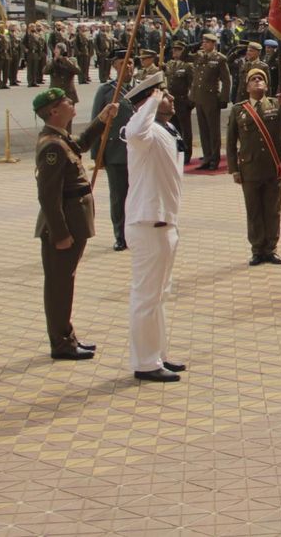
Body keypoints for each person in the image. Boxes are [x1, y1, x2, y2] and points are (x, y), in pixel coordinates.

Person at [32, 86, 118, 360]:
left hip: (73, 222)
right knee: (59, 286)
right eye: (67, 101)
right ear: (54, 111)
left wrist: (101, 120)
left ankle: (66, 336)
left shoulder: (60, 137)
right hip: (64, 226)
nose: (73, 103)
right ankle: (61, 343)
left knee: (64, 283)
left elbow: (79, 145)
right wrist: (60, 233)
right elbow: (48, 196)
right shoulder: (52, 146)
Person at [121, 74, 188, 383]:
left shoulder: (166, 129)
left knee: (159, 295)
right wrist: (151, 102)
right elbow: (134, 129)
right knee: (146, 297)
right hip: (148, 224)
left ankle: (157, 354)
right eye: (164, 95)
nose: (170, 99)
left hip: (165, 222)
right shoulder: (141, 132)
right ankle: (145, 362)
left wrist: (155, 102)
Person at [228, 68, 281, 266]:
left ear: (267, 85)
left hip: (272, 167)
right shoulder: (239, 110)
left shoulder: (276, 105)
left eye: (261, 78)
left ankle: (271, 248)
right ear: (247, 87)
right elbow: (230, 142)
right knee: (253, 210)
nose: (257, 81)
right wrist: (234, 169)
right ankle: (257, 249)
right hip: (250, 168)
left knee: (272, 210)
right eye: (253, 79)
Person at [92, 50, 136, 251]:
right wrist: (96, 155)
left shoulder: (142, 88)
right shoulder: (107, 91)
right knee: (119, 196)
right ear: (115, 67)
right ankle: (120, 235)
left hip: (139, 153)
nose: (127, 67)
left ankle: (136, 231)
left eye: (130, 63)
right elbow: (96, 122)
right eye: (122, 63)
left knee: (139, 195)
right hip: (116, 152)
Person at [189, 34, 230, 170]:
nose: (204, 44)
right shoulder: (199, 56)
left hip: (211, 98)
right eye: (203, 42)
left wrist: (224, 98)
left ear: (214, 44)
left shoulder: (219, 59)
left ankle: (214, 158)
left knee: (213, 131)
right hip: (199, 97)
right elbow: (184, 57)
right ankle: (206, 157)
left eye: (207, 42)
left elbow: (226, 80)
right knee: (203, 130)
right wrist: (191, 47)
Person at [164, 40, 196, 165]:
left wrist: (191, 100)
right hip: (172, 101)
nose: (174, 51)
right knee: (173, 128)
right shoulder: (170, 64)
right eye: (174, 49)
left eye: (178, 49)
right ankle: (176, 150)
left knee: (185, 129)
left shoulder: (188, 66)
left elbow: (192, 84)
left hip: (183, 100)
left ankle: (187, 153)